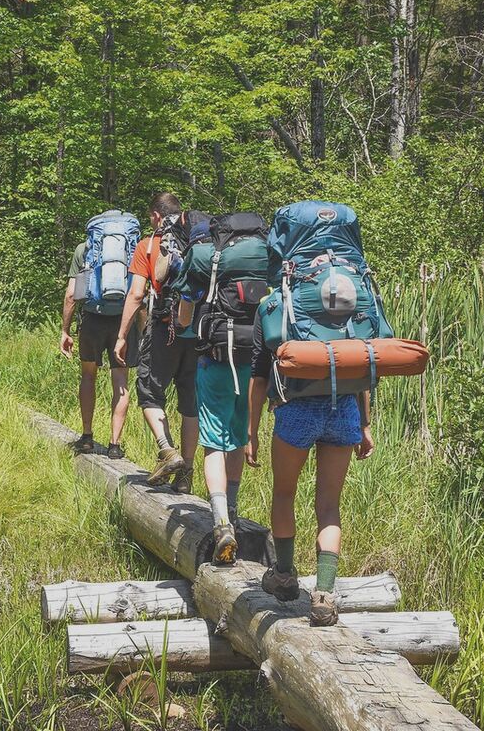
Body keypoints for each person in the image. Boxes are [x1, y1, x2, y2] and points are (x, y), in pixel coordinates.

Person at [248, 324, 376, 627]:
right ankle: (323, 595)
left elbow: (259, 373)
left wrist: (251, 431)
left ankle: (283, 575)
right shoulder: (346, 310)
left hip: (296, 409)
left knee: (284, 493)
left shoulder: (279, 305)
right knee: (330, 506)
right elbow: (360, 368)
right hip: (344, 408)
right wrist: (365, 425)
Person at [166, 213, 269, 565]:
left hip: (215, 358)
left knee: (213, 442)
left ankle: (221, 522)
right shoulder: (262, 256)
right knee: (238, 437)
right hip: (254, 362)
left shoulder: (206, 256)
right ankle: (236, 514)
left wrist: (185, 322)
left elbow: (183, 315)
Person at [112, 191, 199, 494]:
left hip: (165, 330)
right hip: (199, 332)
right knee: (191, 403)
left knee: (149, 392)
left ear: (157, 216)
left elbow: (136, 295)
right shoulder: (198, 240)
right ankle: (186, 474)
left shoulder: (148, 245)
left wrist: (122, 336)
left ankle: (168, 451)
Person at [60, 230, 140, 459]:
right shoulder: (132, 250)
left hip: (92, 318)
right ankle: (115, 445)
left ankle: (86, 437)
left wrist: (65, 330)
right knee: (121, 380)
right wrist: (142, 329)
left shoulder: (83, 249)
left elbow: (70, 295)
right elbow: (138, 293)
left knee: (88, 376)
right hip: (123, 320)